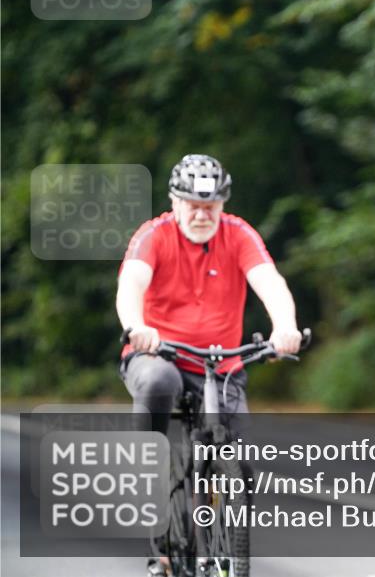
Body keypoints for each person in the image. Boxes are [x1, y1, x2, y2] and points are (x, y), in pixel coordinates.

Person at [116, 154, 302, 577]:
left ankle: (224, 538)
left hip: (221, 364)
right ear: (174, 202)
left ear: (223, 204)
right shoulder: (154, 235)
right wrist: (136, 326)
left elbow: (270, 282)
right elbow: (131, 283)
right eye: (193, 205)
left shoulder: (238, 234)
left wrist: (285, 326)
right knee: (157, 383)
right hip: (160, 353)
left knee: (242, 462)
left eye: (211, 206)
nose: (202, 215)